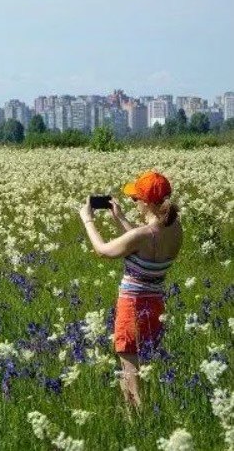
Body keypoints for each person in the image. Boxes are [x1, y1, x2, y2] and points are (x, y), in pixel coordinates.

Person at [78, 170, 182, 411]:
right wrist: (121, 218)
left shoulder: (142, 235)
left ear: (146, 203)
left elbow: (103, 251)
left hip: (132, 307)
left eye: (136, 199)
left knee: (131, 373)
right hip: (156, 306)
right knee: (146, 366)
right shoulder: (175, 230)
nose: (134, 203)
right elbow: (143, 244)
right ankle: (144, 414)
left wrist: (87, 219)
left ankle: (137, 423)